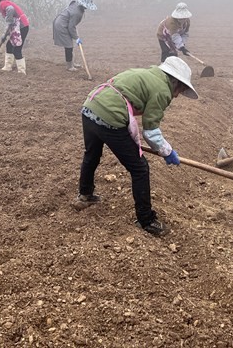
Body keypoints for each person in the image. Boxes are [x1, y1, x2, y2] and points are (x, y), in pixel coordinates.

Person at [77, 56, 199, 236]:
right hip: (110, 114)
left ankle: (85, 195)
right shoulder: (162, 90)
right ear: (175, 82)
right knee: (140, 168)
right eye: (180, 90)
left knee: (91, 154)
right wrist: (167, 152)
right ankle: (146, 220)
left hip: (91, 106)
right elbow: (151, 132)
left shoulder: (146, 74)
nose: (177, 95)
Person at [53, 0, 97, 71]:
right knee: (69, 46)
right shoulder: (77, 13)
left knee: (70, 45)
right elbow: (71, 27)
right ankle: (70, 66)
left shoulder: (76, 4)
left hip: (63, 23)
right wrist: (76, 38)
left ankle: (72, 63)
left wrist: (75, 35)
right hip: (61, 25)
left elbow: (71, 24)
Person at [0, 0, 30, 75]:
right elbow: (11, 24)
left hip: (22, 26)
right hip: (20, 26)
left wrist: (9, 21)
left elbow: (10, 10)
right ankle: (7, 67)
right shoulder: (6, 2)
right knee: (9, 45)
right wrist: (5, 35)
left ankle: (21, 71)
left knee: (17, 49)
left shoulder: (2, 3)